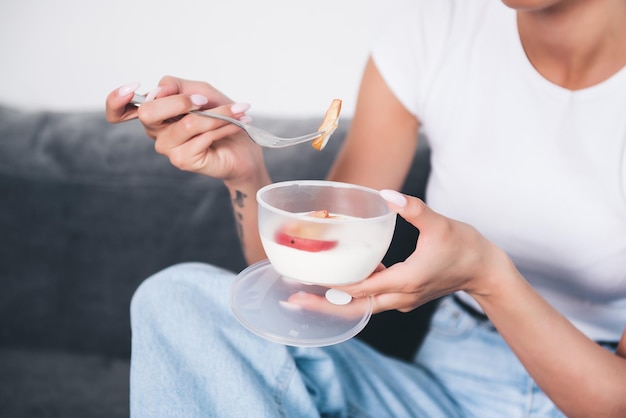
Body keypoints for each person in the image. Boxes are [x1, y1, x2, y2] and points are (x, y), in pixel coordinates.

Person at [106, 0, 626, 416]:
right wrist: (247, 172)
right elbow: (311, 283)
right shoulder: (434, 29)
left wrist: (488, 275)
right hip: (442, 382)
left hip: (593, 376)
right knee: (174, 297)